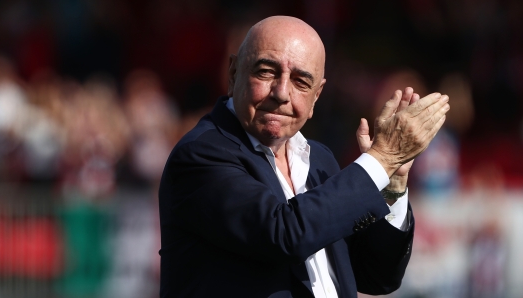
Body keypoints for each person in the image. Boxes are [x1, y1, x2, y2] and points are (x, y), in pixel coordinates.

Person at [158, 16, 450, 298]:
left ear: (316, 96)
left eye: (300, 81)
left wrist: (392, 183)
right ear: (233, 74)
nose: (282, 93)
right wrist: (381, 160)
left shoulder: (320, 159)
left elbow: (377, 277)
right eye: (266, 71)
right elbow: (284, 234)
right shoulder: (201, 154)